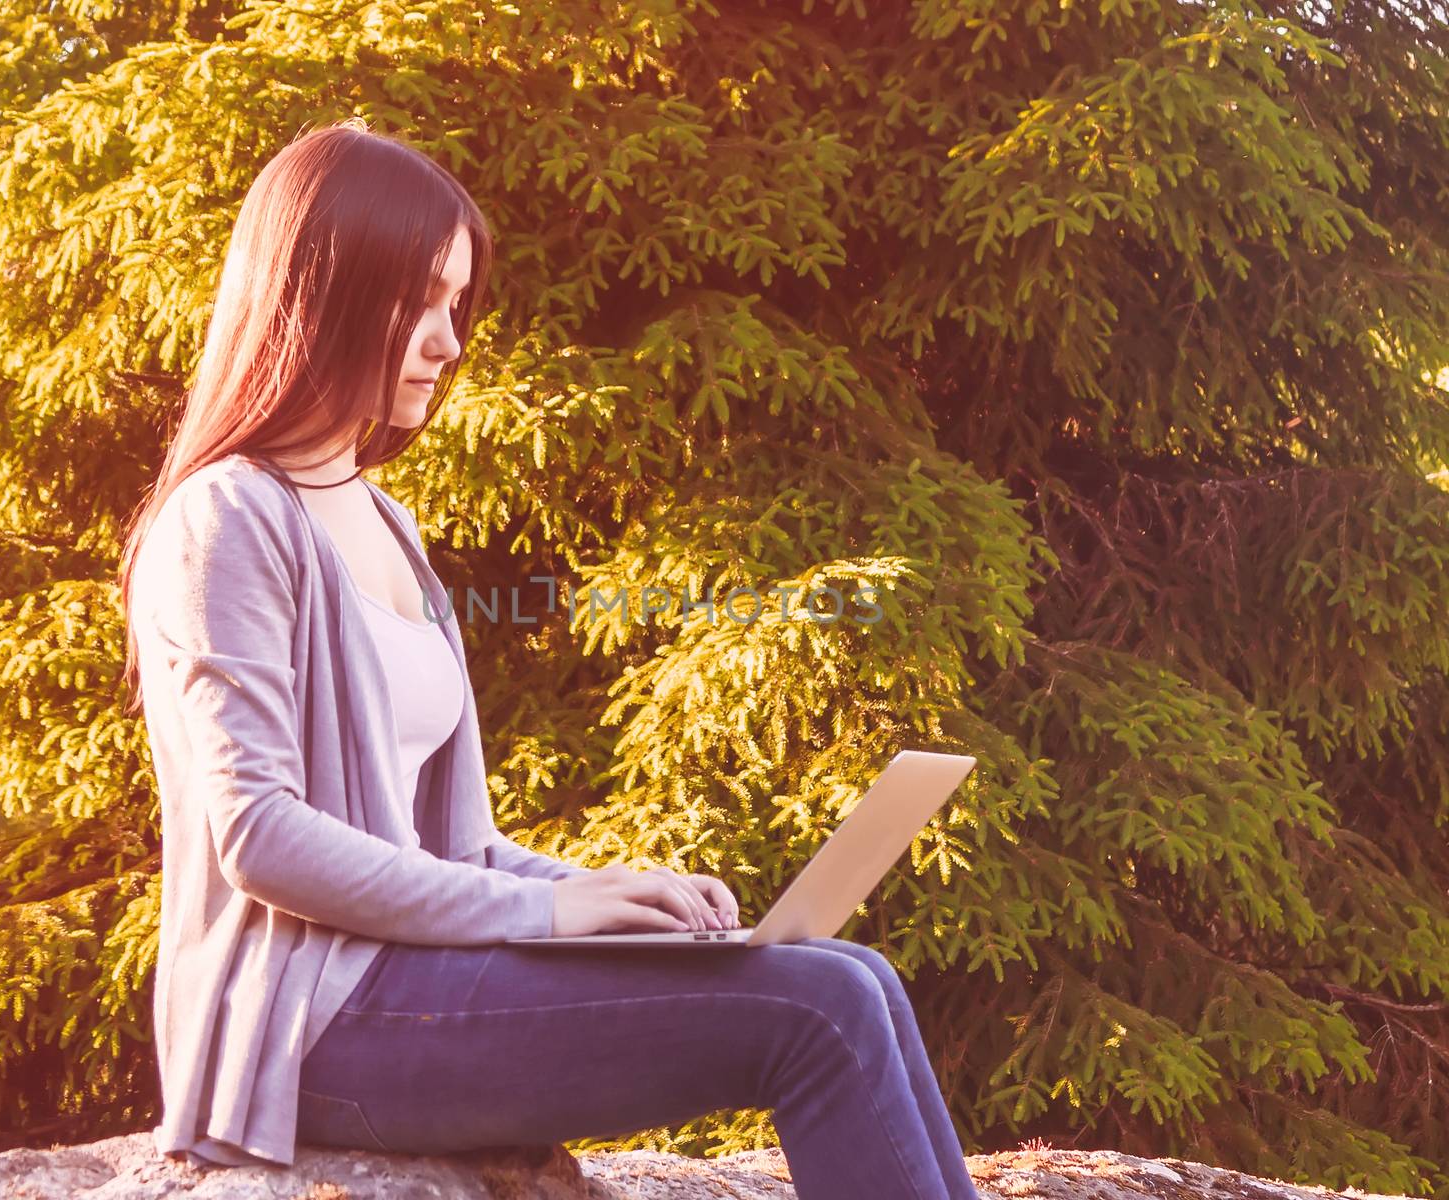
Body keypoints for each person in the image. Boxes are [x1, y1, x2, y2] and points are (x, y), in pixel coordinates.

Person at [116, 118, 981, 1200]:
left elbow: (459, 847)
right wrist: (550, 915)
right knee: (822, 1009)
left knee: (849, 971)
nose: (448, 341)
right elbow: (262, 838)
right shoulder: (226, 519)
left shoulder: (383, 523)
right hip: (305, 1030)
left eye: (456, 305)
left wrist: (610, 893)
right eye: (417, 300)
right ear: (322, 292)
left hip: (404, 989)